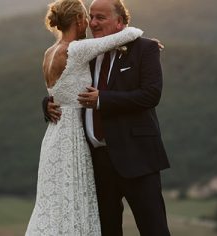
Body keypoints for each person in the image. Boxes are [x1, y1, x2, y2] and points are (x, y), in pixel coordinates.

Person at [44, 0, 171, 235]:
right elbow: (64, 84)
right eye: (91, 17)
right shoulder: (86, 51)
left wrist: (103, 100)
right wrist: (48, 103)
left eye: (100, 18)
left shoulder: (145, 49)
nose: (93, 23)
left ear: (120, 22)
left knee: (154, 229)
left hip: (138, 157)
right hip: (97, 163)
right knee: (106, 230)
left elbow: (151, 95)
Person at [26, 0, 143, 235]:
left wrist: (47, 104)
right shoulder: (77, 50)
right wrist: (145, 43)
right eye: (87, 19)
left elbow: (57, 93)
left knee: (55, 205)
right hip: (72, 138)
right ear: (79, 21)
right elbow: (131, 32)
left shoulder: (48, 53)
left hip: (54, 136)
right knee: (75, 203)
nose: (90, 24)